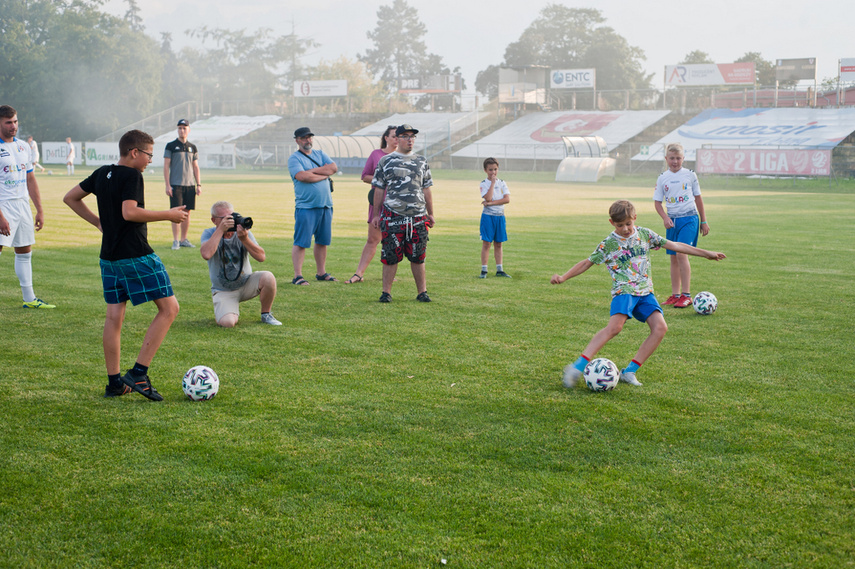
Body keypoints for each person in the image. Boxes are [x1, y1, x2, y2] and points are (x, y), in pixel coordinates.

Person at [63, 129, 188, 401]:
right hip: (135, 254)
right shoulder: (133, 175)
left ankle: (114, 383)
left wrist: (98, 222)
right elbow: (129, 212)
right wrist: (168, 214)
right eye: (148, 155)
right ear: (134, 152)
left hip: (108, 258)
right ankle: (139, 373)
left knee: (113, 318)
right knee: (170, 309)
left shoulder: (101, 173)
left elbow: (70, 198)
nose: (149, 161)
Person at [550, 199, 725, 388]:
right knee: (615, 328)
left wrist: (706, 253)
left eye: (628, 223)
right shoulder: (608, 244)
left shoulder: (645, 234)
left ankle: (629, 371)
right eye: (619, 225)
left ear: (634, 218)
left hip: (645, 292)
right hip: (624, 291)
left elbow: (675, 245)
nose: (625, 228)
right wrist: (564, 277)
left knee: (660, 328)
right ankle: (576, 367)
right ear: (611, 223)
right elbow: (587, 262)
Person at [370, 124, 435, 303]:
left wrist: (431, 213)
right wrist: (376, 214)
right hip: (393, 214)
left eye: (412, 136)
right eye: (405, 136)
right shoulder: (386, 161)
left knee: (418, 255)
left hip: (418, 216)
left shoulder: (421, 161)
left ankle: (422, 292)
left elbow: (427, 189)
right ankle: (386, 292)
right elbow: (378, 189)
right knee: (390, 255)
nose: (409, 139)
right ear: (397, 139)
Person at [0, 105, 55, 309]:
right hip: (2, 205)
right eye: (8, 122)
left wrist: (39, 209)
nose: (13, 126)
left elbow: (30, 179)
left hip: (22, 205)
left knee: (24, 251)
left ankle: (29, 299)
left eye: (15, 121)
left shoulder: (23, 146)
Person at [200, 201, 282, 327]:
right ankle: (228, 309)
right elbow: (206, 254)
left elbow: (261, 257)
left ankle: (266, 314)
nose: (230, 221)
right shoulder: (209, 233)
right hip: (224, 290)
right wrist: (221, 230)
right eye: (224, 218)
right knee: (228, 323)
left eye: (231, 216)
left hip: (246, 284)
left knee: (268, 277)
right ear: (214, 220)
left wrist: (244, 239)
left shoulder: (242, 233)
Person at [654, 142, 709, 308]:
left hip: (689, 218)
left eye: (678, 158)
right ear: (666, 159)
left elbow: (698, 198)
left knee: (681, 254)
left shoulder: (690, 175)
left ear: (683, 158)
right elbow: (657, 203)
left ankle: (686, 295)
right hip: (672, 221)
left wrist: (704, 220)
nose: (675, 161)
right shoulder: (662, 178)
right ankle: (675, 295)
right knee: (673, 258)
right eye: (672, 158)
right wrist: (664, 217)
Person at [343, 125, 397, 284]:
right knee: (373, 239)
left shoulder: (404, 157)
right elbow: (365, 176)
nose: (396, 139)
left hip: (399, 204)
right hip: (378, 203)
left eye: (398, 136)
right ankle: (359, 274)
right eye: (394, 136)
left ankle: (389, 274)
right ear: (386, 138)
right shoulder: (376, 155)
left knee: (394, 240)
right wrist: (381, 181)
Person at [287, 126, 337, 285]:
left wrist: (313, 172)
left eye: (309, 137)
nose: (307, 140)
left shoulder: (320, 154)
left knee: (322, 241)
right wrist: (323, 174)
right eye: (303, 138)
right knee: (301, 241)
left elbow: (333, 168)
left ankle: (321, 272)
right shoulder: (295, 158)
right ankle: (297, 276)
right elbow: (302, 176)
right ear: (297, 140)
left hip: (325, 205)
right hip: (306, 207)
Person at [164, 119, 202, 250]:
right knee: (175, 212)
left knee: (187, 213)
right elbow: (166, 166)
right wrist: (167, 185)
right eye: (179, 128)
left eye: (184, 128)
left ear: (189, 129)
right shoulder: (170, 146)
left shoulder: (193, 147)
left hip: (190, 185)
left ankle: (184, 239)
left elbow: (196, 167)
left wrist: (199, 184)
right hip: (176, 185)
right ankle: (175, 241)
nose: (182, 130)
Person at [478, 157, 511, 279]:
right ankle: (484, 270)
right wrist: (492, 183)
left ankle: (499, 269)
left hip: (500, 216)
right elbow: (488, 198)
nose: (493, 172)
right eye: (490, 170)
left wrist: (491, 203)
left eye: (495, 169)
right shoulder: (483, 183)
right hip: (488, 217)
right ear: (485, 170)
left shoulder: (502, 183)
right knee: (487, 243)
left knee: (499, 243)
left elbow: (506, 199)